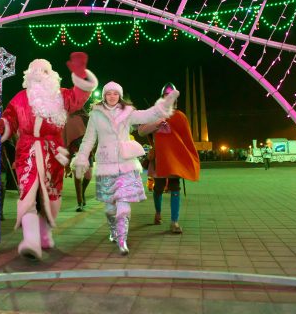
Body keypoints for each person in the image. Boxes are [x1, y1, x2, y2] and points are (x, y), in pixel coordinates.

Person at [0, 53, 98, 260]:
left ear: (52, 75)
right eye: (36, 72)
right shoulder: (20, 98)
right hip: (27, 151)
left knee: (52, 195)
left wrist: (81, 76)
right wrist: (1, 125)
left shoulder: (62, 95)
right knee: (27, 194)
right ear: (29, 76)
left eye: (45, 71)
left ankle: (44, 232)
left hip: (53, 151)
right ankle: (30, 240)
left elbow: (79, 96)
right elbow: (9, 119)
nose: (41, 76)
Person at [72, 81, 178, 255]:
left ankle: (122, 240)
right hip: (106, 165)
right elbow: (89, 139)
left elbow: (148, 115)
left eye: (115, 93)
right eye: (109, 93)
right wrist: (82, 157)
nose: (112, 96)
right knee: (110, 209)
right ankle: (113, 230)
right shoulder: (96, 115)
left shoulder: (128, 112)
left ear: (119, 96)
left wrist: (165, 105)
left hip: (126, 164)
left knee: (123, 206)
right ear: (104, 95)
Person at [138, 82, 200, 234]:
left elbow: (186, 140)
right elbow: (141, 131)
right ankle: (158, 213)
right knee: (158, 188)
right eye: (166, 96)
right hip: (160, 159)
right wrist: (158, 123)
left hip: (175, 160)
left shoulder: (180, 117)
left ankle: (174, 222)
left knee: (174, 186)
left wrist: (187, 157)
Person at [63, 108, 92, 212]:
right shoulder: (65, 116)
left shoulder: (85, 116)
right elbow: (64, 137)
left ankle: (82, 193)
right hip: (73, 148)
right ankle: (79, 203)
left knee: (88, 176)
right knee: (78, 176)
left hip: (86, 147)